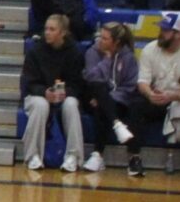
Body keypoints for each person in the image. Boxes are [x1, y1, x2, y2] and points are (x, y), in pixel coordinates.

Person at [20, 14, 88, 172]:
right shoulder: (35, 51)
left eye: (52, 29)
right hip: (37, 95)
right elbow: (28, 83)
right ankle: (32, 155)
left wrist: (64, 92)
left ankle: (73, 156)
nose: (47, 32)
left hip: (64, 95)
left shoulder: (74, 53)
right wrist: (45, 92)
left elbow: (78, 84)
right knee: (41, 105)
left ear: (63, 33)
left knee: (71, 104)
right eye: (46, 29)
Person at [128, 12, 180, 178]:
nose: (161, 33)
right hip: (156, 98)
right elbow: (142, 81)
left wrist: (172, 96)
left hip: (177, 99)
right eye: (161, 29)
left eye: (166, 31)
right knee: (136, 105)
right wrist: (150, 94)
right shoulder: (150, 49)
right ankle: (134, 158)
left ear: (178, 34)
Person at [82, 21, 138, 173]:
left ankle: (97, 155)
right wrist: (107, 60)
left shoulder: (128, 57)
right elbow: (91, 77)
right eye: (100, 37)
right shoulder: (92, 52)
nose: (100, 40)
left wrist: (107, 98)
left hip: (118, 100)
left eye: (105, 38)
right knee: (98, 88)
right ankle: (117, 124)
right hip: (92, 97)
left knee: (103, 107)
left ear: (116, 42)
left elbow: (129, 86)